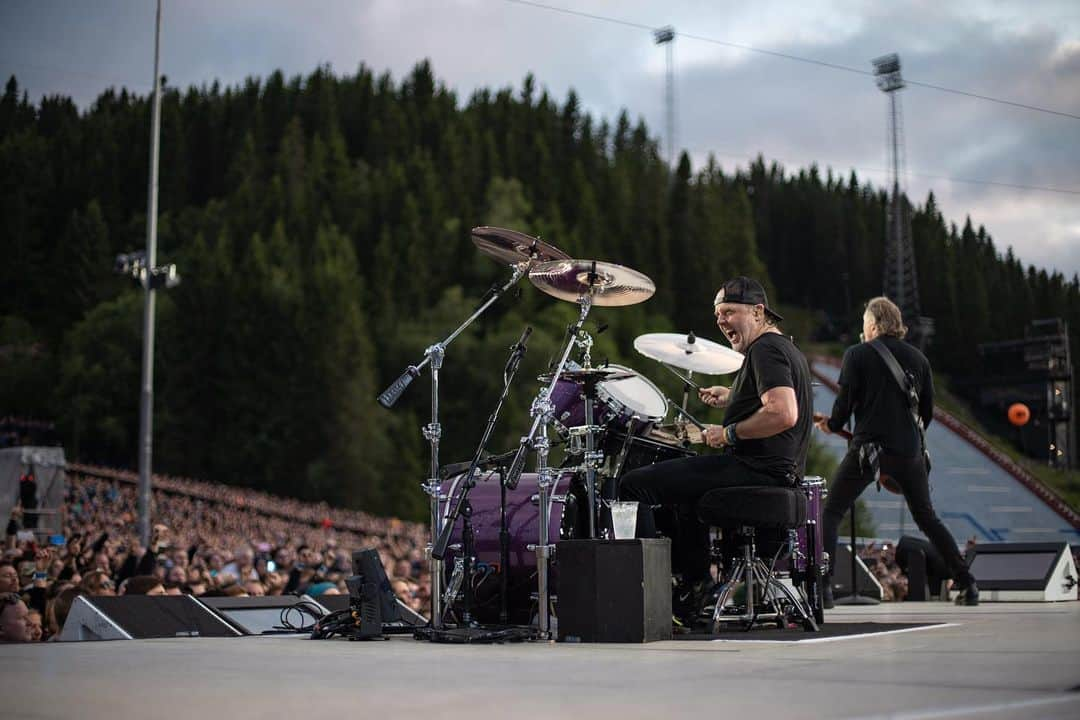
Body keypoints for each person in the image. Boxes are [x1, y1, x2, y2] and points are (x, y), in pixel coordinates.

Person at [619, 276, 814, 624]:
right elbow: (771, 402)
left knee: (634, 484)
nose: (721, 321)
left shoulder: (765, 349)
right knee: (682, 486)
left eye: (729, 312)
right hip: (776, 470)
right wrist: (735, 396)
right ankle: (695, 584)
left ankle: (668, 590)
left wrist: (728, 433)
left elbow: (783, 413)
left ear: (758, 312)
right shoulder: (785, 349)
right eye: (718, 314)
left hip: (757, 468)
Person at [814, 296, 979, 606]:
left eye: (865, 325)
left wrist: (832, 424)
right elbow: (926, 413)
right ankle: (968, 584)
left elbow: (842, 408)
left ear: (874, 325)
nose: (863, 332)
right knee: (927, 518)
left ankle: (823, 589)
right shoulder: (919, 359)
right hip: (909, 452)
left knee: (832, 512)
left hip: (869, 450)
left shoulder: (856, 355)